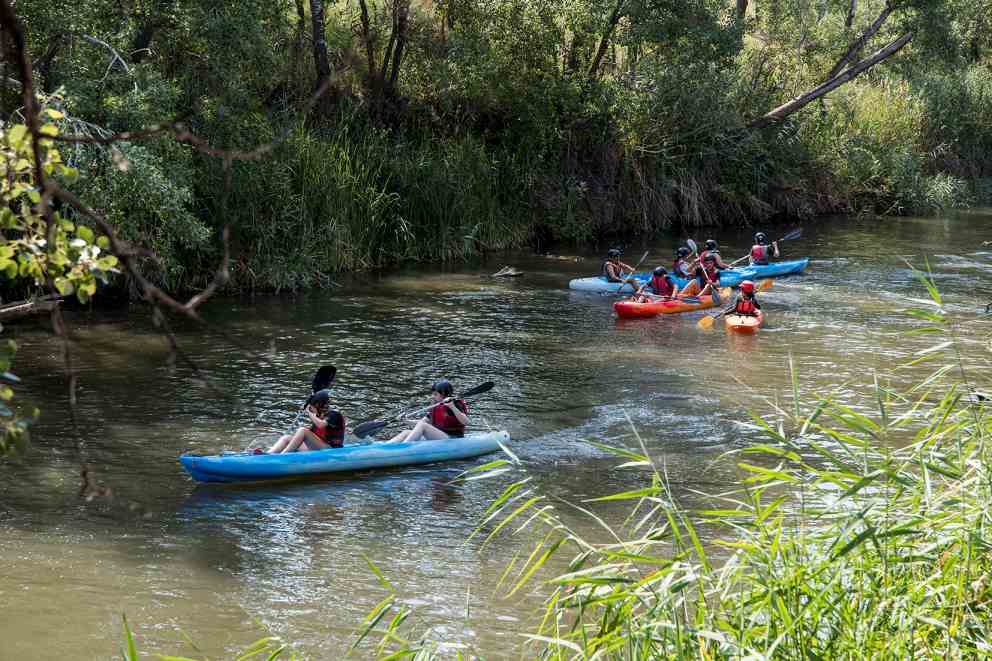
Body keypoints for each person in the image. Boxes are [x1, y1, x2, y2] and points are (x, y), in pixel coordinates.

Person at [390, 379, 469, 443]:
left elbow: (466, 422)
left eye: (435, 394)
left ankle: (403, 449)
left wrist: (452, 407)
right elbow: (421, 423)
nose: (433, 396)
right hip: (439, 436)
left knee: (423, 426)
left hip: (453, 438)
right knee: (406, 432)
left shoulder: (455, 404)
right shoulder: (436, 405)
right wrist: (405, 421)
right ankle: (386, 447)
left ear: (444, 394)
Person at [267, 389, 345, 453]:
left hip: (332, 449)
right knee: (287, 438)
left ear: (318, 405)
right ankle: (268, 455)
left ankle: (283, 456)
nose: (311, 409)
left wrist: (309, 413)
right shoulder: (320, 417)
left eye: (312, 407)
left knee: (303, 430)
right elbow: (309, 435)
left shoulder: (333, 415)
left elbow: (321, 425)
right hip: (319, 446)